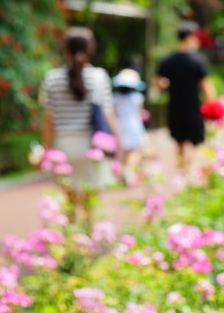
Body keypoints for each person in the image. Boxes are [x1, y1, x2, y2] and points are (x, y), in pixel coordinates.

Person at [42, 27, 119, 225]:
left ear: (66, 49)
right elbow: (107, 113)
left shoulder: (52, 78)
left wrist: (46, 149)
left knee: (69, 199)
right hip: (91, 146)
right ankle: (88, 237)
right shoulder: (99, 77)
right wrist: (119, 140)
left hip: (63, 146)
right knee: (89, 199)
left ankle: (71, 237)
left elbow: (49, 118)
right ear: (90, 49)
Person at [154, 21, 217, 172]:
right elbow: (206, 87)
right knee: (196, 144)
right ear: (191, 37)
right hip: (194, 109)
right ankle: (192, 174)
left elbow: (157, 85)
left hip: (175, 108)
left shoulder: (167, 61)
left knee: (179, 143)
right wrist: (213, 107)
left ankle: (181, 172)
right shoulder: (197, 60)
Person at [112, 68, 148, 186]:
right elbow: (140, 112)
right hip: (134, 125)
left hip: (119, 124)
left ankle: (122, 172)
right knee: (135, 151)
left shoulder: (115, 98)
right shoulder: (137, 97)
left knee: (123, 151)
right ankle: (128, 171)